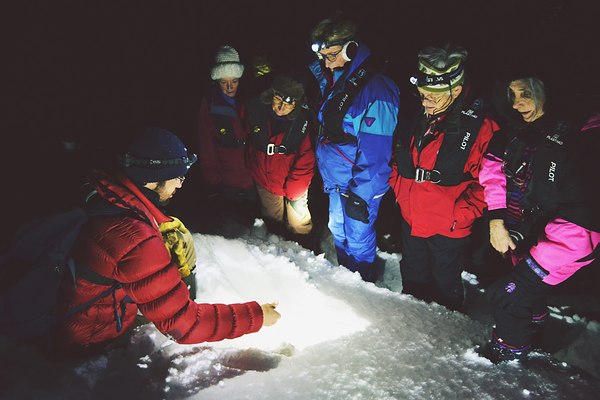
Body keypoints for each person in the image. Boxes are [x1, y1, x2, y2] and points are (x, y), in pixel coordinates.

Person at [49, 127, 280, 358]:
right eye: (177, 177)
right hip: (88, 336)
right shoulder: (134, 239)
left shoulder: (105, 191)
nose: (180, 185)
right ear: (152, 179)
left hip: (69, 307)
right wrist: (257, 315)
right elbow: (185, 324)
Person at [478, 77, 599, 363]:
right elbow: (492, 174)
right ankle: (534, 334)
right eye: (512, 95)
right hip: (523, 232)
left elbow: (587, 214)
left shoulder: (583, 137)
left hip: (568, 240)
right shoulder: (510, 133)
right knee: (527, 295)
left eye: (526, 94)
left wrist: (540, 256)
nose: (518, 103)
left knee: (507, 295)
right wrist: (497, 220)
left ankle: (507, 360)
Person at [389, 45, 499, 310]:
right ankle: (412, 321)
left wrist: (460, 213)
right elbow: (398, 155)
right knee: (413, 277)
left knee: (445, 283)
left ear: (457, 90)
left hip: (449, 226)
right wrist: (398, 189)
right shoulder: (419, 114)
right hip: (411, 216)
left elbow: (492, 183)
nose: (425, 101)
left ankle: (448, 328)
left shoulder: (482, 127)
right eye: (422, 93)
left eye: (433, 96)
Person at [308, 15, 400, 282]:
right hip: (337, 180)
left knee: (358, 237)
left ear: (351, 49)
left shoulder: (377, 89)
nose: (326, 62)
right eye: (323, 56)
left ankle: (361, 284)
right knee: (337, 227)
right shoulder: (336, 81)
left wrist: (362, 196)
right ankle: (346, 276)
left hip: (360, 185)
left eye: (332, 54)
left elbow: (376, 152)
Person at [245, 74, 316, 246]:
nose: (281, 107)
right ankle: (276, 246)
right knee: (272, 220)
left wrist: (294, 189)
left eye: (289, 103)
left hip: (294, 184)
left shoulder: (302, 124)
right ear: (271, 96)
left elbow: (306, 160)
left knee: (299, 221)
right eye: (278, 99)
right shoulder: (257, 112)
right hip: (265, 180)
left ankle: (304, 247)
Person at [196, 45, 257, 225]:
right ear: (216, 81)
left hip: (253, 175)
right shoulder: (209, 104)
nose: (230, 87)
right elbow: (205, 141)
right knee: (233, 222)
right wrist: (212, 177)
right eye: (224, 82)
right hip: (227, 176)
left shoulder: (250, 100)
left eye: (234, 81)